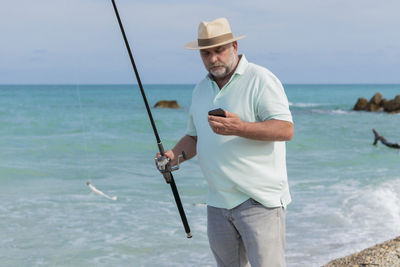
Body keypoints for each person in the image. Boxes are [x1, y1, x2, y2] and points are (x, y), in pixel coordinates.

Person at [156, 17, 294, 267]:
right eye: (206, 53)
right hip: (217, 203)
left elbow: (285, 129)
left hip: (260, 201)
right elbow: (194, 137)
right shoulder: (200, 89)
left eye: (218, 50)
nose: (212, 59)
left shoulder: (260, 79)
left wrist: (240, 127)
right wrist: (173, 157)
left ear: (234, 46)